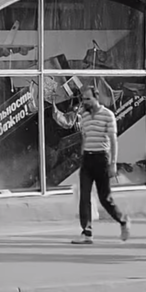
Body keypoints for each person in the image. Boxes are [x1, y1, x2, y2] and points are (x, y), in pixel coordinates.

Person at [53, 85, 131, 244]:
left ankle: (123, 220)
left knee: (105, 198)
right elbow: (84, 137)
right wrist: (82, 157)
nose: (85, 102)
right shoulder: (84, 117)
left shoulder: (108, 115)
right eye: (83, 99)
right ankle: (87, 232)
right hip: (87, 160)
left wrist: (113, 163)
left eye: (88, 99)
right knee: (84, 196)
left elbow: (113, 141)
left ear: (96, 98)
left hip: (102, 159)